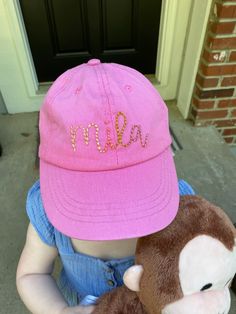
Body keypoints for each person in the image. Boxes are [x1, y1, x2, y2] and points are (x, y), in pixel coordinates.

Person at [16, 59, 195, 314]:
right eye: (91, 197)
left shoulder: (185, 208)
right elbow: (32, 274)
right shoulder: (45, 210)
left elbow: (202, 269)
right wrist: (60, 311)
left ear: (168, 156)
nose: (113, 219)